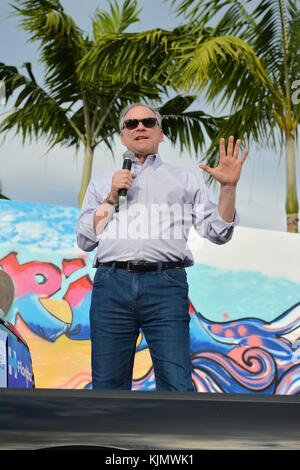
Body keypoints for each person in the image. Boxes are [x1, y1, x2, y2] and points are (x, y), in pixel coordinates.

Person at [76, 102, 248, 391]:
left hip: (166, 284)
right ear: (122, 137)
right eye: (131, 124)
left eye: (147, 122)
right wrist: (110, 198)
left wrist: (228, 188)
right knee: (107, 386)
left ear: (161, 133)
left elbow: (217, 232)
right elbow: (85, 239)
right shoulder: (103, 182)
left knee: (177, 385)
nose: (140, 127)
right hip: (111, 285)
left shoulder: (186, 178)